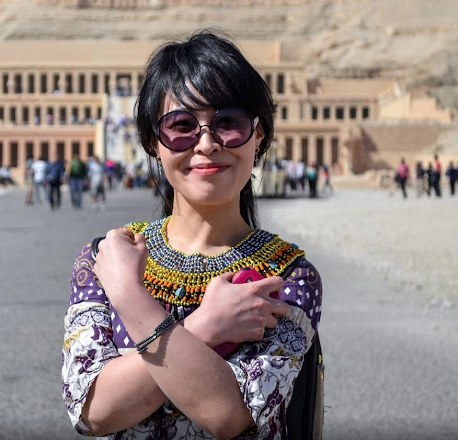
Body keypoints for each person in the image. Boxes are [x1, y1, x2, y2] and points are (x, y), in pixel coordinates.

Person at [61, 30, 323, 440]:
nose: (206, 144)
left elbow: (229, 414)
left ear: (259, 136)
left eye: (229, 124)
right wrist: (206, 326)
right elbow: (94, 412)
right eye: (181, 125)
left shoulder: (287, 275)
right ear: (153, 142)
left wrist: (130, 296)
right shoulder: (106, 256)